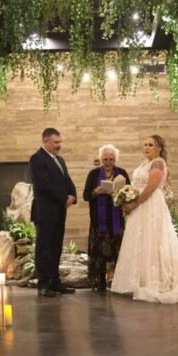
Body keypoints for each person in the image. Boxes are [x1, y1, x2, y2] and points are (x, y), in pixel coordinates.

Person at [111, 135, 178, 304]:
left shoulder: (158, 163)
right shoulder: (144, 163)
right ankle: (138, 279)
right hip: (141, 204)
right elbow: (138, 186)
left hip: (150, 204)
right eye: (145, 145)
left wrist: (134, 203)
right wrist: (127, 196)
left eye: (150, 145)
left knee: (153, 239)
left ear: (158, 148)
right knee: (140, 240)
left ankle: (156, 280)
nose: (146, 148)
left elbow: (150, 187)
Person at [29, 127, 77, 297]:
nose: (59, 145)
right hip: (45, 212)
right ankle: (43, 284)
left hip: (59, 212)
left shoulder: (60, 160)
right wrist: (64, 198)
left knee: (56, 248)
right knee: (44, 249)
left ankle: (55, 282)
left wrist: (73, 195)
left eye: (60, 142)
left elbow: (67, 180)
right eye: (56, 142)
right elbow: (44, 184)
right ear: (45, 141)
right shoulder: (37, 159)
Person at [82, 144, 131, 291]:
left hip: (117, 221)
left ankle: (120, 284)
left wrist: (119, 193)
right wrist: (96, 191)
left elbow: (130, 193)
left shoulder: (121, 173)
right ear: (101, 159)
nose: (108, 162)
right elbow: (86, 196)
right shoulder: (93, 174)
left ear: (115, 159)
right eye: (105, 159)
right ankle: (99, 283)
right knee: (99, 255)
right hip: (98, 222)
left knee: (119, 253)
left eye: (111, 159)